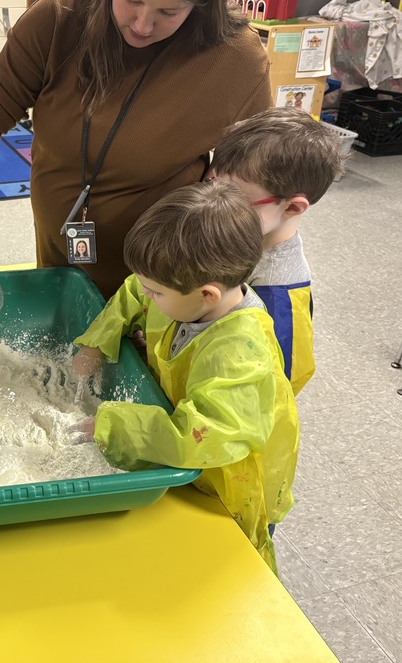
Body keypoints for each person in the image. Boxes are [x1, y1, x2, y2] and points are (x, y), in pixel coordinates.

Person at [0, 0, 271, 298]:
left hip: (168, 282)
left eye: (170, 12)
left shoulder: (236, 58)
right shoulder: (60, 18)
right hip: (61, 256)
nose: (142, 25)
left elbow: (251, 180)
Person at [69, 182, 298, 574]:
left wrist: (112, 424)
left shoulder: (239, 355)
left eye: (155, 292)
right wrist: (95, 343)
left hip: (230, 483)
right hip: (192, 464)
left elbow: (205, 436)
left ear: (207, 295)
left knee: (230, 567)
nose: (147, 295)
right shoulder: (181, 294)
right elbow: (133, 293)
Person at [207, 107, 345, 395]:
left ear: (292, 207)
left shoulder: (279, 294)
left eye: (234, 197)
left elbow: (277, 387)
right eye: (212, 184)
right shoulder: (238, 233)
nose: (213, 204)